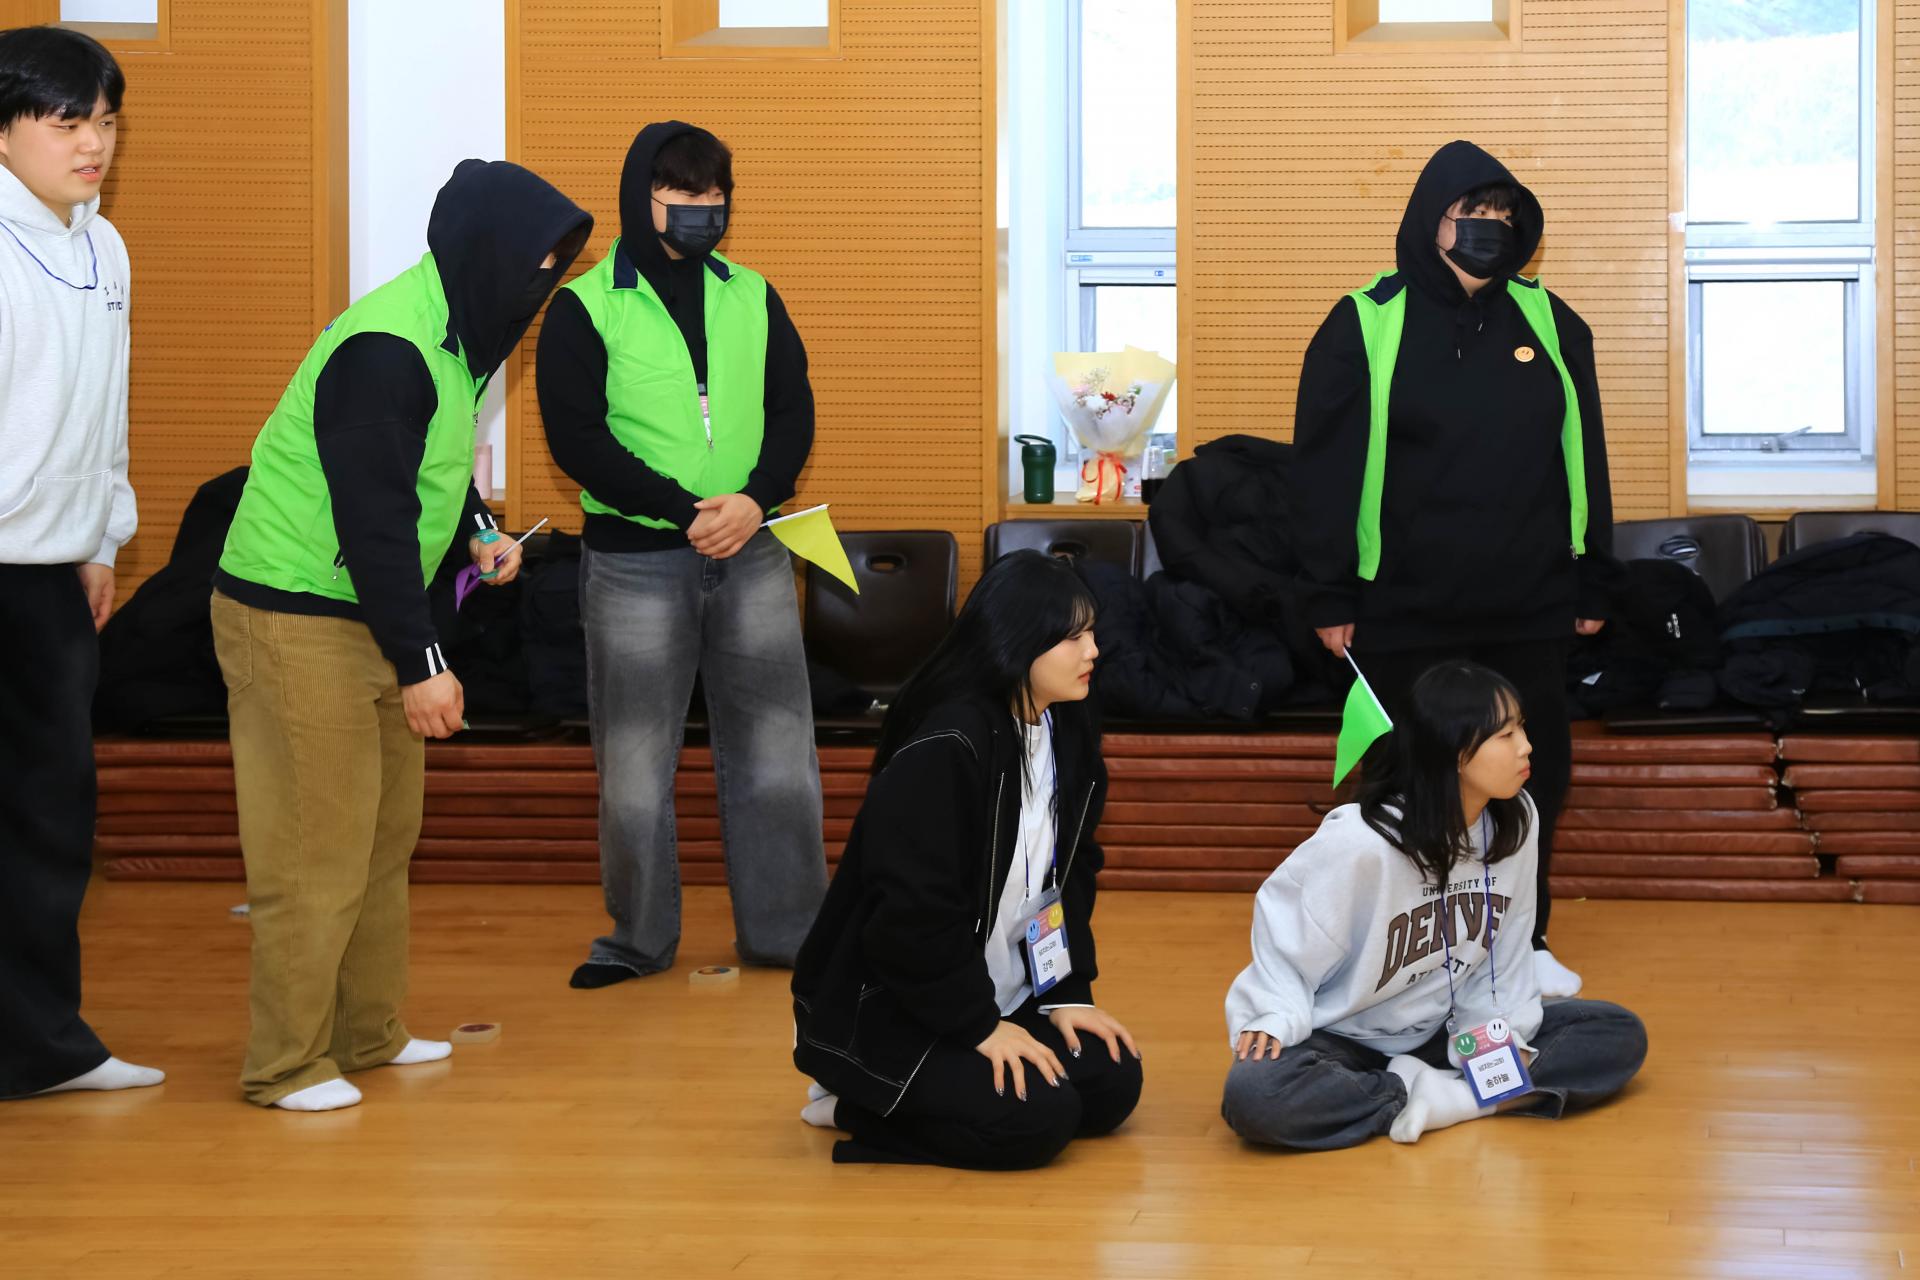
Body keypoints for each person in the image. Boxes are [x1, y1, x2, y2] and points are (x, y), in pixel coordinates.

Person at [211, 160, 592, 1111]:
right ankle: (287, 1064)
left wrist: (479, 530)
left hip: (366, 610)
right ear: (482, 249)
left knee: (382, 840)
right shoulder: (386, 347)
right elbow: (373, 519)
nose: (543, 282)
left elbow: (435, 469)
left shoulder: (456, 340)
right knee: (316, 851)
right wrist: (425, 662)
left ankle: (367, 1033)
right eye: (534, 261)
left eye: (555, 264)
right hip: (296, 614)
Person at [1289, 140, 1622, 999]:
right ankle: (1394, 951)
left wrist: (1594, 575)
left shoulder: (1551, 323)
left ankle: (1523, 940)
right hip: (1403, 603)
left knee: (1530, 776)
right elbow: (1324, 467)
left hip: (1528, 599)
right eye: (1472, 212)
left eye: (1505, 214)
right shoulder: (1365, 321)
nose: (1490, 227)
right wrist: (1328, 590)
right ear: (1429, 219)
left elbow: (1584, 455)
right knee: (1406, 779)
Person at [538, 121, 825, 989]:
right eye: (683, 192)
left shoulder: (753, 295)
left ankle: (790, 935)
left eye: (715, 193)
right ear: (642, 196)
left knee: (779, 756)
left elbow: (793, 411)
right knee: (633, 768)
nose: (704, 207)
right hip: (635, 563)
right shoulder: (585, 307)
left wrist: (756, 499)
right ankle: (637, 939)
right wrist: (680, 510)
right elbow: (577, 440)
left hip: (753, 548)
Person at [790, 551, 1143, 1169]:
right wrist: (978, 1027)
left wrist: (1066, 994)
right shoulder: (947, 745)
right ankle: (852, 1104)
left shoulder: (1067, 727)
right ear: (1019, 641)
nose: (1093, 651)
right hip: (897, 1006)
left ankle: (942, 1081)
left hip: (995, 991)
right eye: (1074, 637)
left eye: (1092, 633)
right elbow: (910, 919)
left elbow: (1066, 880)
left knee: (1111, 1080)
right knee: (1037, 1120)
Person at [1220, 661, 1646, 1151]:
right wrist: (1273, 1013)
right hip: (1343, 1042)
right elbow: (1286, 935)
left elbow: (1505, 957)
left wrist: (1493, 1045)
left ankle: (1453, 1101)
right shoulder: (1361, 843)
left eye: (1522, 728)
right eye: (1506, 735)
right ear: (1456, 753)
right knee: (1256, 1095)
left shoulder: (1517, 820)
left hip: (1449, 1035)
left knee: (1614, 1032)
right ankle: (1421, 1090)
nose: (1527, 746)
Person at [0, 25, 162, 1101]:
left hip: (53, 575)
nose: (93, 143)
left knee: (52, 816)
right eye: (66, 123)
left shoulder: (105, 246)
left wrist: (104, 537)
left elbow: (107, 411)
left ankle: (42, 1045)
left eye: (105, 122)